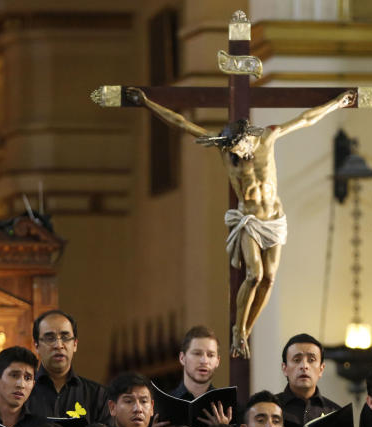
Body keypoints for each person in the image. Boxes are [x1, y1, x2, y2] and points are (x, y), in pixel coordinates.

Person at [127, 87, 357, 358]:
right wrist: (147, 103)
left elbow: (306, 119)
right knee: (254, 275)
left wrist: (336, 104)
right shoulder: (225, 151)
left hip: (274, 219)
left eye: (240, 147)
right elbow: (181, 123)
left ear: (248, 138)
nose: (238, 154)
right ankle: (238, 330)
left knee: (269, 279)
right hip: (248, 220)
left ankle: (247, 330)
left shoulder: (269, 136)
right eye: (233, 149)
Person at [26, 310, 108, 423]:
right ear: (36, 346)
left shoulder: (97, 395)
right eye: (50, 338)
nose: (58, 345)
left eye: (65, 337)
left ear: (75, 344)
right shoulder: (23, 393)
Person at [276, 334, 341, 427]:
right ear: (284, 368)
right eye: (297, 360)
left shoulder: (335, 413)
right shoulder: (270, 409)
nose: (304, 366)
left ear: (321, 369)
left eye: (311, 360)